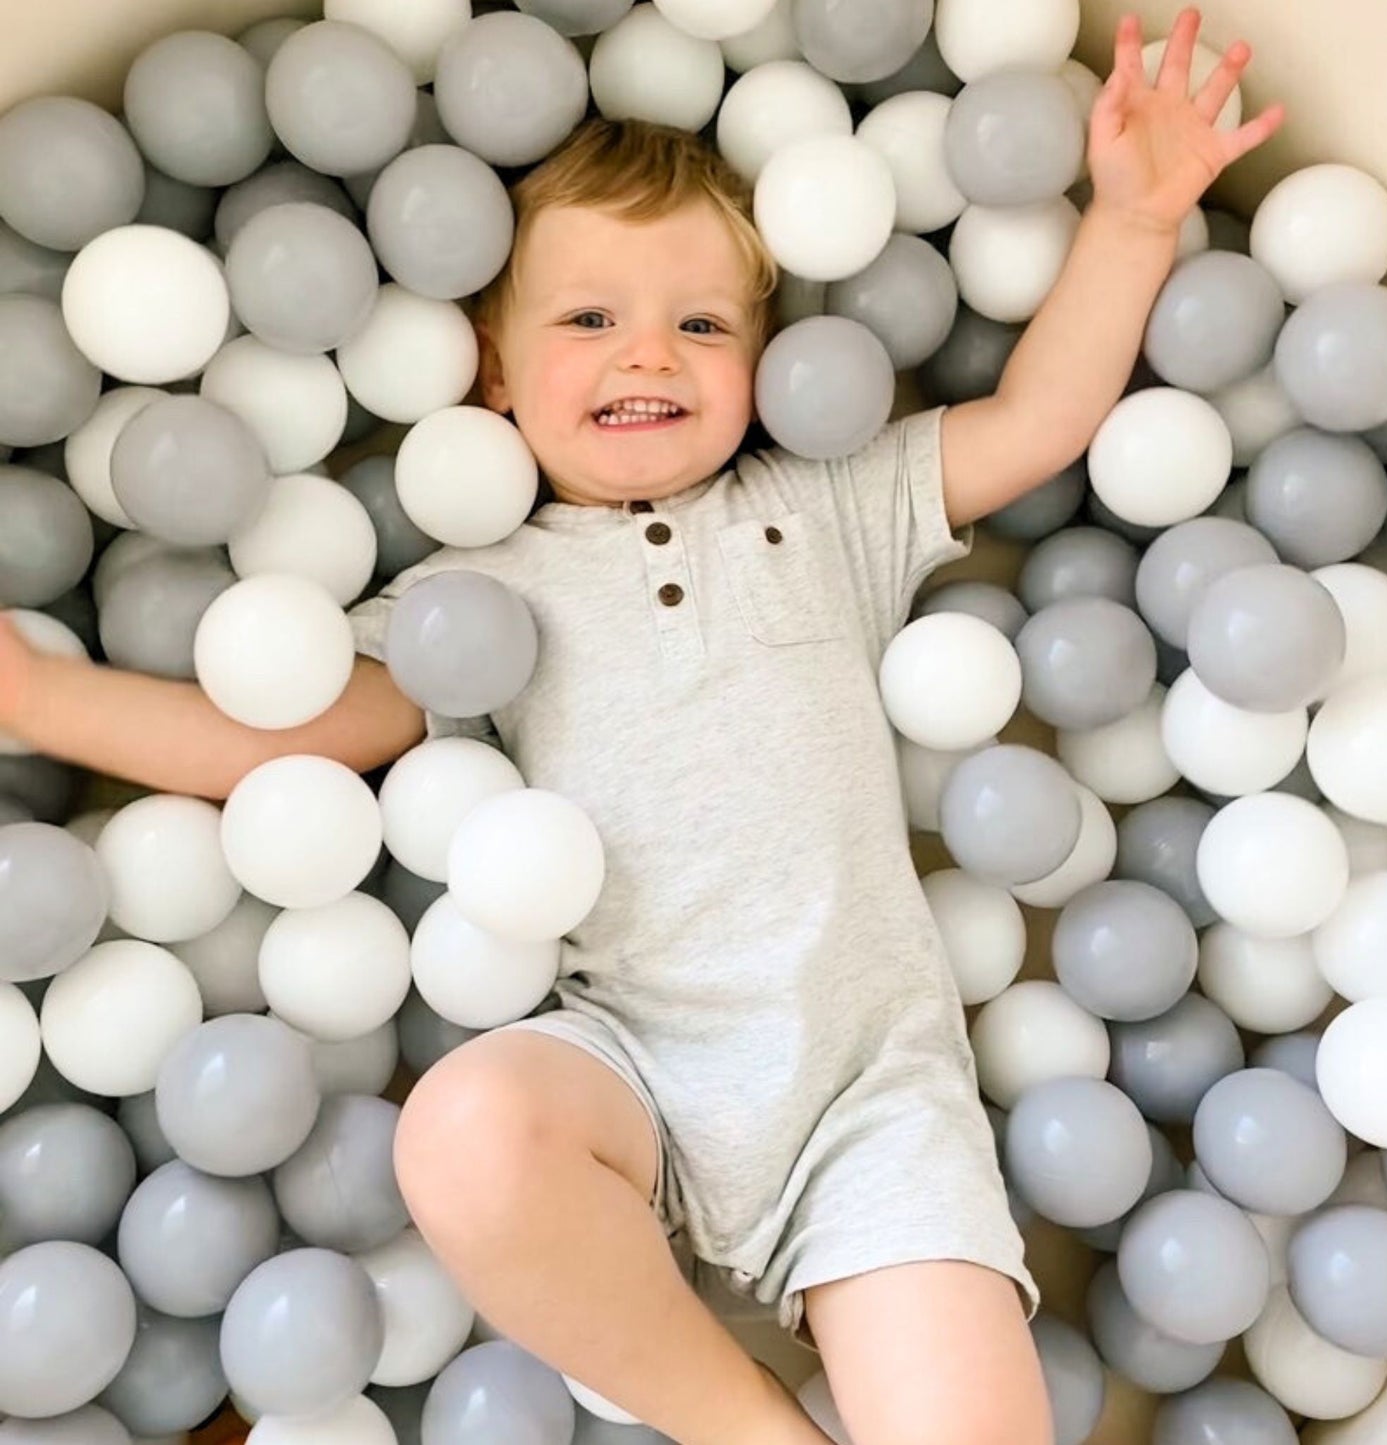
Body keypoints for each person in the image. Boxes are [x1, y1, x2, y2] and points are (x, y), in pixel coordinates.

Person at [0, 10, 1283, 1444]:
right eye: (589, 319)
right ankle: (742, 1428)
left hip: (871, 1104)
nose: (645, 354)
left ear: (764, 360)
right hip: (635, 1072)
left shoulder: (826, 506)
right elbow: (285, 751)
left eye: (700, 322)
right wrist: (39, 696)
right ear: (491, 372)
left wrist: (1130, 221)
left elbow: (1039, 416)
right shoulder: (475, 587)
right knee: (468, 1132)